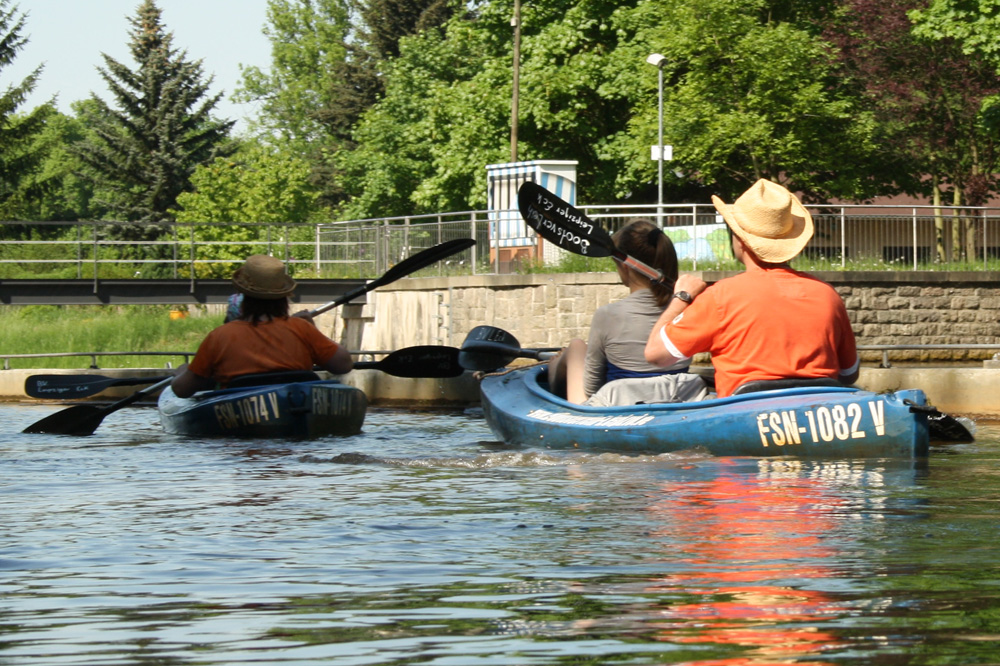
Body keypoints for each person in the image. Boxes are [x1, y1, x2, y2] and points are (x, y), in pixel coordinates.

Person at [644, 178, 859, 398]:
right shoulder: (827, 294)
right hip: (817, 411)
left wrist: (682, 297)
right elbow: (849, 373)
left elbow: (656, 354)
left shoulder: (720, 297)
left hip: (744, 414)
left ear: (740, 241)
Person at [548, 218, 707, 406]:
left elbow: (592, 389)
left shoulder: (607, 316)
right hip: (676, 398)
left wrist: (557, 366)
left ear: (625, 267)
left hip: (619, 408)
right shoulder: (688, 310)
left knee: (576, 347)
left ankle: (553, 372)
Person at [171, 254, 353, 398]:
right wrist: (312, 329)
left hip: (241, 414)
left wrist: (182, 371)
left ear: (243, 296)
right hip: (297, 404)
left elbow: (181, 389)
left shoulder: (220, 336)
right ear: (284, 296)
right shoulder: (301, 328)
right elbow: (343, 365)